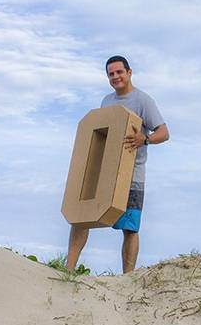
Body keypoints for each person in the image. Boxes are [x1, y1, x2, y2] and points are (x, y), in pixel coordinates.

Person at [65, 55, 169, 273]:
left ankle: (127, 277)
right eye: (111, 74)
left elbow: (164, 132)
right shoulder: (106, 101)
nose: (116, 77)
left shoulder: (143, 101)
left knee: (130, 227)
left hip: (133, 174)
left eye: (119, 72)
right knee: (81, 217)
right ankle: (69, 268)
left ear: (129, 73)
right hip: (105, 171)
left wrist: (145, 138)